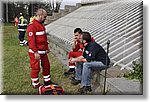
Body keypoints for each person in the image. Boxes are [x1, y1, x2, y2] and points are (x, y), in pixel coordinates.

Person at [27, 8, 52, 88]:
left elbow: (44, 38)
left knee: (46, 66)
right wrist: (35, 52)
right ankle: (35, 83)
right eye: (44, 17)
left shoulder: (41, 25)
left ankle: (47, 81)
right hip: (36, 52)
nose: (45, 18)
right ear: (40, 16)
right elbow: (31, 41)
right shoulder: (32, 26)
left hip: (43, 51)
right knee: (35, 68)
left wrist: (47, 48)